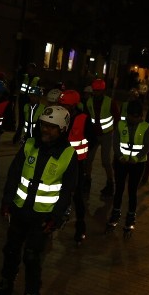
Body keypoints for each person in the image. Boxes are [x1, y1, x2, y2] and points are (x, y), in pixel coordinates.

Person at [0, 105, 77, 295]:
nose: (46, 130)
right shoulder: (30, 145)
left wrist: (56, 217)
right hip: (19, 210)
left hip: (42, 218)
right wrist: (6, 201)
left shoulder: (68, 155)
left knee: (33, 257)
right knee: (11, 250)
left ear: (62, 129)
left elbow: (67, 191)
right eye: (44, 125)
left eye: (52, 127)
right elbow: (14, 173)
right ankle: (6, 284)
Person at [107, 100, 149, 234]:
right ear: (128, 115)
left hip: (137, 164)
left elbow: (146, 146)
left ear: (140, 116)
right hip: (121, 162)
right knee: (119, 188)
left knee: (132, 190)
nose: (134, 119)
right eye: (132, 116)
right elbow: (115, 142)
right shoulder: (120, 125)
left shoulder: (145, 127)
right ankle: (115, 213)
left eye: (137, 116)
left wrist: (136, 158)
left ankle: (131, 216)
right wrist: (120, 156)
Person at [58, 89, 95, 244]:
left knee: (78, 196)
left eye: (65, 106)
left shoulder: (84, 119)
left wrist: (84, 156)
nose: (62, 108)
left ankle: (80, 228)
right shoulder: (59, 117)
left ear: (73, 106)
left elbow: (92, 139)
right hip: (60, 162)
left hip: (77, 163)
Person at [84, 78, 119, 197]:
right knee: (88, 159)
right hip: (94, 134)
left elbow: (117, 117)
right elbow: (87, 118)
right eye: (95, 91)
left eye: (98, 91)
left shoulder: (110, 102)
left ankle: (110, 184)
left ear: (103, 91)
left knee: (105, 161)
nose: (96, 93)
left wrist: (113, 131)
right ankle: (87, 182)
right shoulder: (89, 102)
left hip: (106, 135)